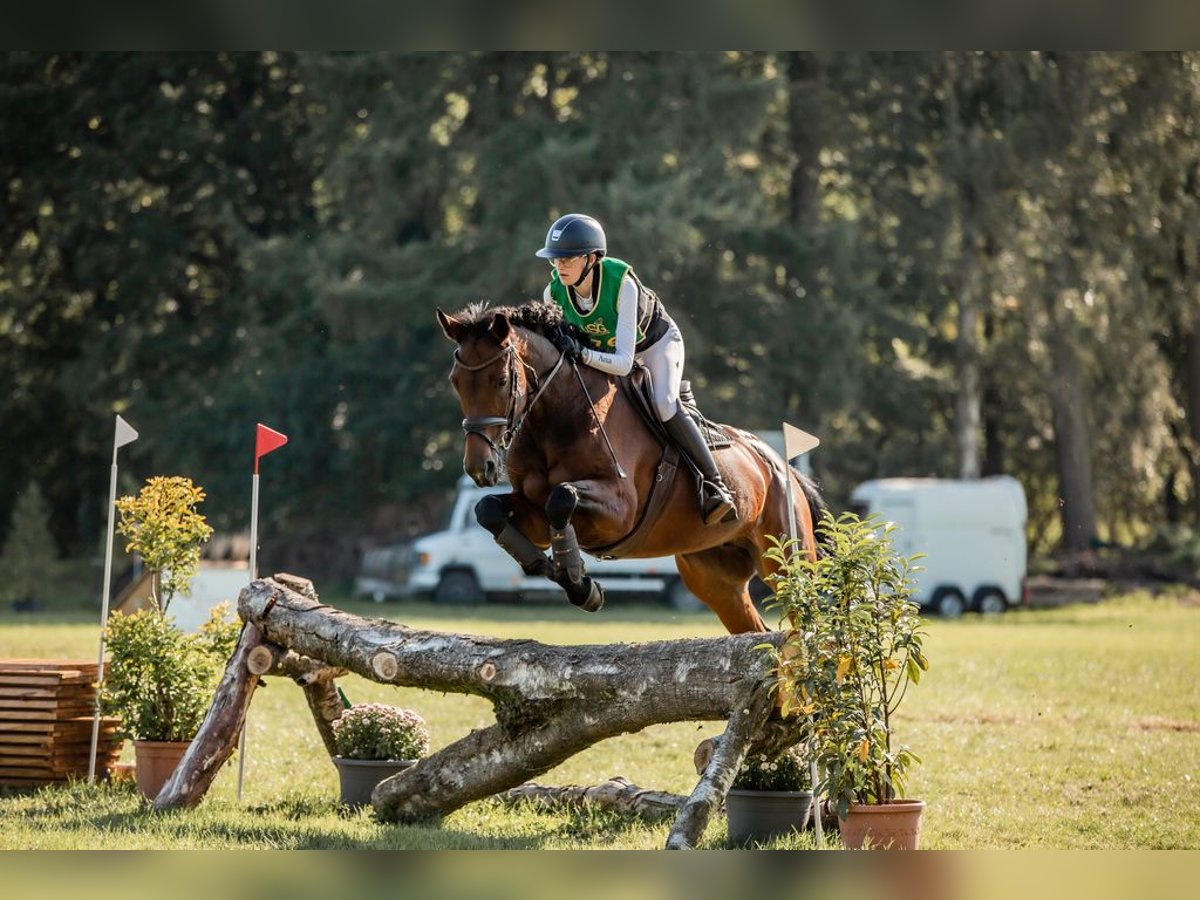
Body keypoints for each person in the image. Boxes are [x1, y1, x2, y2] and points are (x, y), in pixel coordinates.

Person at [536, 212, 736, 525]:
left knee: (664, 403)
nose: (559, 267)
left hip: (654, 346)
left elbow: (625, 363)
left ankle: (714, 485)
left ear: (591, 258)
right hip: (602, 354)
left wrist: (582, 353)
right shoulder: (553, 295)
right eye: (555, 260)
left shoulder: (622, 285)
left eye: (567, 259)